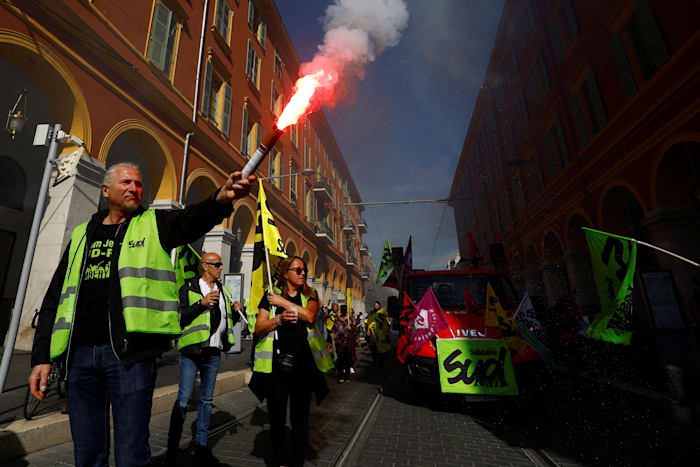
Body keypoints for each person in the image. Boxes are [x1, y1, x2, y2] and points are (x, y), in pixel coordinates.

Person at [28, 162, 255, 466]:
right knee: (87, 453)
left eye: (138, 182)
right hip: (79, 358)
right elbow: (55, 296)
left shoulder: (153, 223)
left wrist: (221, 199)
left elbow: (190, 219)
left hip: (129, 358)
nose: (135, 187)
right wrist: (42, 356)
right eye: (126, 182)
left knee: (132, 454)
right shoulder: (82, 235)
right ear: (105, 190)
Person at [249, 256, 333, 467]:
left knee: (300, 421)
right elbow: (258, 328)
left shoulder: (310, 295)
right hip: (275, 368)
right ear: (286, 273)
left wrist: (283, 303)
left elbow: (310, 316)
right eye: (298, 269)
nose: (303, 273)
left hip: (303, 367)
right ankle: (278, 461)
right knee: (276, 419)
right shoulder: (269, 297)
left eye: (304, 269)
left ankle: (296, 463)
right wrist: (278, 319)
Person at [166, 252, 236, 466]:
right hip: (192, 352)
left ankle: (201, 446)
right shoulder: (189, 287)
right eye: (217, 264)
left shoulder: (224, 290)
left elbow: (225, 318)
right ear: (205, 266)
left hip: (213, 352)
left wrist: (235, 309)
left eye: (221, 265)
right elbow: (180, 316)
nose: (221, 268)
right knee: (184, 398)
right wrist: (202, 303)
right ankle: (172, 448)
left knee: (207, 400)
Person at [332, 306, 353, 383]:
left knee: (348, 359)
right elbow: (333, 330)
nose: (343, 311)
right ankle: (340, 376)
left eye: (344, 310)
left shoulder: (350, 319)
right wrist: (335, 339)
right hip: (340, 343)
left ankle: (347, 376)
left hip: (348, 342)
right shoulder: (337, 319)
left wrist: (351, 328)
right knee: (340, 360)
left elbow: (355, 330)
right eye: (342, 310)